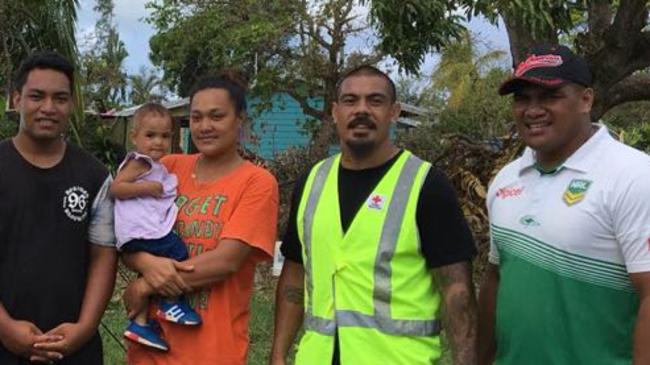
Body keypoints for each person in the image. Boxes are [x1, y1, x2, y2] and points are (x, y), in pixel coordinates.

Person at [270, 65, 478, 365]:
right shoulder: (312, 181)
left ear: (394, 112)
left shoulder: (425, 184)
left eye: (375, 101)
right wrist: (278, 354)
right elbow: (294, 274)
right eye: (351, 100)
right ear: (335, 111)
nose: (362, 110)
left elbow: (457, 291)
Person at [478, 44, 650, 365]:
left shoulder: (634, 176)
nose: (532, 110)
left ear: (586, 100)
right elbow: (496, 278)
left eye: (550, 96)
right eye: (522, 98)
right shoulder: (506, 179)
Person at [123, 73, 279, 365]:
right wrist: (145, 264)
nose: (205, 126)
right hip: (150, 350)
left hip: (212, 352)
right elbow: (129, 231)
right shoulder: (167, 168)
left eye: (216, 116)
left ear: (239, 120)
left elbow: (225, 261)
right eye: (196, 117)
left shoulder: (256, 182)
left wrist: (144, 286)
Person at [0, 51, 117, 364]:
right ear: (16, 99)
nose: (48, 108)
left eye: (60, 98)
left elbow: (103, 256)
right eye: (37, 96)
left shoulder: (94, 175)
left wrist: (85, 327)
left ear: (71, 105)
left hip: (76, 348)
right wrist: (5, 328)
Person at [111, 103, 201, 352]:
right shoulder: (140, 163)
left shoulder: (157, 165)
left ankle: (139, 324)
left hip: (136, 234)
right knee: (177, 252)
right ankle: (171, 303)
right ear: (135, 137)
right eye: (150, 135)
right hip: (141, 231)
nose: (158, 142)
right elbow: (116, 188)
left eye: (165, 136)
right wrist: (147, 188)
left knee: (147, 272)